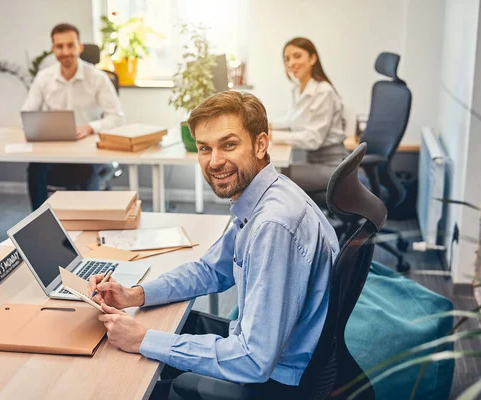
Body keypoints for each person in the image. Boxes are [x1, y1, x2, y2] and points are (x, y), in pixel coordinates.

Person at [87, 91, 339, 398]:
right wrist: (135, 295)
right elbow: (211, 271)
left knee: (133, 382)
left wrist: (144, 340)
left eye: (229, 145)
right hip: (270, 348)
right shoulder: (265, 195)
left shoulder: (273, 224)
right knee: (170, 331)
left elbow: (253, 360)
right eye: (204, 148)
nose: (215, 161)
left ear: (260, 144)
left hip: (275, 380)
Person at [21, 23, 124, 210]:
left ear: (80, 47)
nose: (65, 51)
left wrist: (90, 127)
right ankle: (41, 223)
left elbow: (117, 117)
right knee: (36, 169)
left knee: (84, 173)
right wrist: (41, 127)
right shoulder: (44, 78)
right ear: (53, 49)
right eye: (60, 46)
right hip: (55, 149)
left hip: (87, 151)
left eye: (70, 45)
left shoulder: (97, 78)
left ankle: (85, 227)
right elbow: (27, 113)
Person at [270, 37, 347, 194]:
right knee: (272, 174)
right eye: (287, 59)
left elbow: (313, 139)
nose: (291, 63)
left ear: (312, 58)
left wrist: (273, 136)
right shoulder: (299, 89)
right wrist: (267, 125)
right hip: (312, 161)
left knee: (273, 179)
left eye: (297, 56)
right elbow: (293, 120)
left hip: (332, 166)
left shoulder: (323, 91)